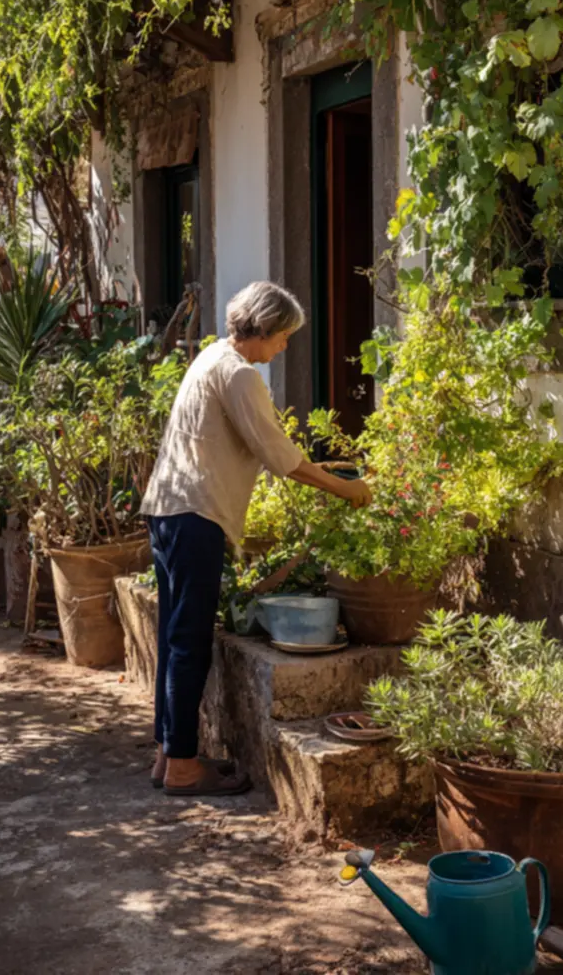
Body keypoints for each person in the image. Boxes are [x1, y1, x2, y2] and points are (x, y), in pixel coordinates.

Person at [140, 281, 373, 797]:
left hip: (168, 511)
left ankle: (168, 754)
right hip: (195, 516)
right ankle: (182, 767)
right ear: (264, 329)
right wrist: (347, 488)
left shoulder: (211, 357)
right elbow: (280, 456)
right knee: (189, 641)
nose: (285, 346)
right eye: (284, 336)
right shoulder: (240, 375)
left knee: (175, 638)